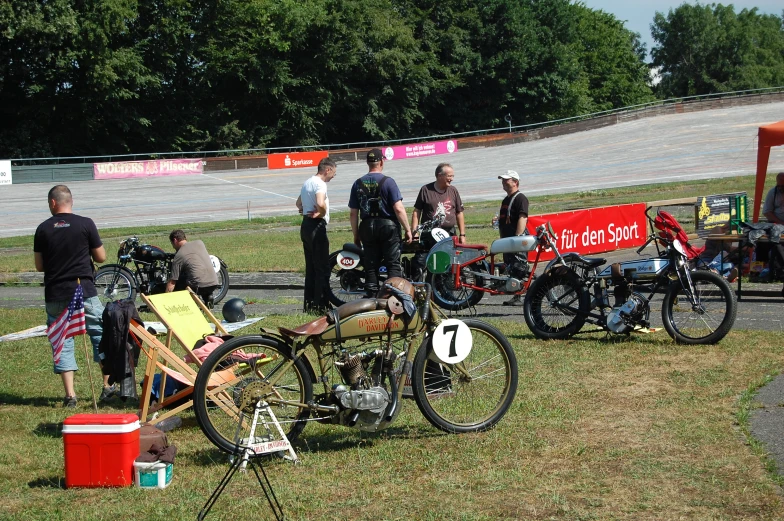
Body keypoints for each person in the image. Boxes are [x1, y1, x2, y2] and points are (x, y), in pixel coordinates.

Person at [34, 184, 114, 408]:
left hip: (56, 292)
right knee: (100, 333)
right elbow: (101, 257)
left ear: (52, 203)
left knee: (62, 341)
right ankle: (107, 386)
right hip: (84, 290)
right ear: (71, 201)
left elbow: (39, 266)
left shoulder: (42, 229)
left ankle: (70, 395)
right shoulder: (85, 223)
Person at [348, 148, 413, 296]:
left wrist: (356, 235)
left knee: (370, 264)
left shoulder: (357, 183)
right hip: (388, 226)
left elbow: (353, 213)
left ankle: (371, 296)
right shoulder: (389, 182)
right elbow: (399, 209)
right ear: (382, 162)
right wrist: (408, 230)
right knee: (392, 263)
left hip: (367, 226)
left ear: (367, 163)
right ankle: (392, 295)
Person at [410, 163, 466, 281]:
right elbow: (416, 212)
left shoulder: (453, 191)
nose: (452, 179)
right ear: (439, 175)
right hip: (428, 234)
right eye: (449, 176)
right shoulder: (426, 190)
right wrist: (414, 232)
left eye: (452, 176)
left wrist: (462, 234)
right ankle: (418, 289)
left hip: (449, 234)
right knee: (421, 261)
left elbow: (459, 213)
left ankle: (443, 291)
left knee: (448, 263)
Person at [296, 157, 337, 313]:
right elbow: (320, 203)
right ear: (327, 169)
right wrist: (322, 212)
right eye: (334, 172)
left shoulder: (307, 182)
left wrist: (305, 209)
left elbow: (298, 204)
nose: (333, 176)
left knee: (311, 267)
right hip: (316, 226)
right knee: (322, 267)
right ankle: (321, 304)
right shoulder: (320, 184)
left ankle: (309, 303)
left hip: (305, 226)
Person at [491, 170, 530, 306]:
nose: (503, 183)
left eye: (506, 180)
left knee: (519, 267)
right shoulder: (505, 200)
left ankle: (523, 294)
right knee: (511, 267)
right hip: (507, 241)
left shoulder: (521, 198)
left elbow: (522, 218)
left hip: (515, 240)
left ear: (515, 182)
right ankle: (516, 294)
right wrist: (497, 221)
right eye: (502, 180)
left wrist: (518, 239)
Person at [166, 230, 219, 306]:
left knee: (179, 281)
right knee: (197, 273)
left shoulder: (179, 255)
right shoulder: (199, 243)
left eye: (172, 244)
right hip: (213, 283)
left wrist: (166, 299)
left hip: (198, 287)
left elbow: (172, 282)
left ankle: (185, 304)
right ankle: (207, 296)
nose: (173, 247)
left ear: (175, 240)